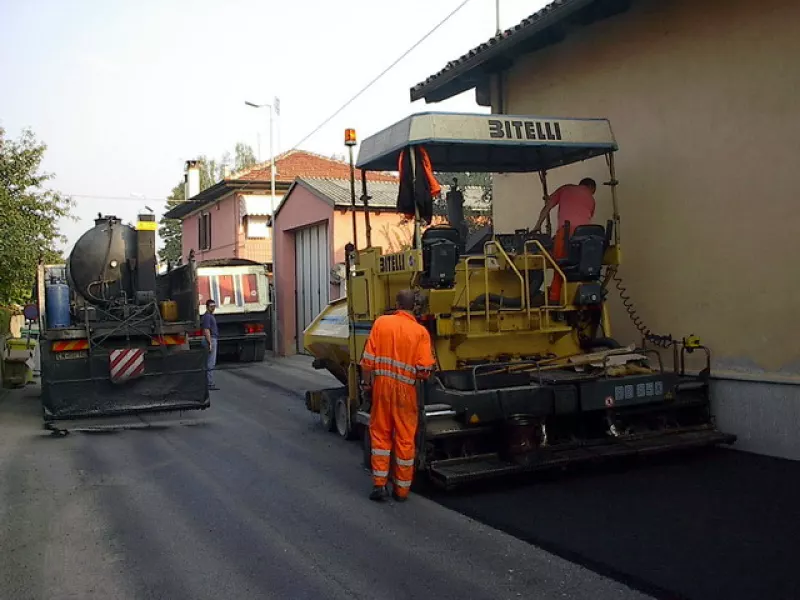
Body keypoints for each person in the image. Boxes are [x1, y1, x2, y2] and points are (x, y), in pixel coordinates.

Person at [360, 289, 435, 502]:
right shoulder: (420, 333)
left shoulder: (381, 323)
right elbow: (423, 371)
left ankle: (379, 485)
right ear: (415, 306)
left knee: (380, 435)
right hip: (406, 392)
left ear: (396, 303)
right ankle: (401, 491)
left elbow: (367, 361)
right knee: (404, 439)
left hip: (382, 388)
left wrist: (367, 385)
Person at [532, 177, 597, 303]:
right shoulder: (592, 199)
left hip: (565, 234)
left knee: (559, 267)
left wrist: (537, 226)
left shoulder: (565, 189)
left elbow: (547, 207)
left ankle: (554, 302)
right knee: (582, 269)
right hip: (586, 236)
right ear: (591, 188)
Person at [201, 299, 219, 391]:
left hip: (210, 339)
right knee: (210, 363)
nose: (213, 308)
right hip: (210, 339)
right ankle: (210, 384)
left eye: (214, 306)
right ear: (207, 307)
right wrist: (210, 343)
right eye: (211, 306)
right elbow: (206, 330)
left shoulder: (209, 316)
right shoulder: (208, 316)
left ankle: (207, 382)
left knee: (208, 362)